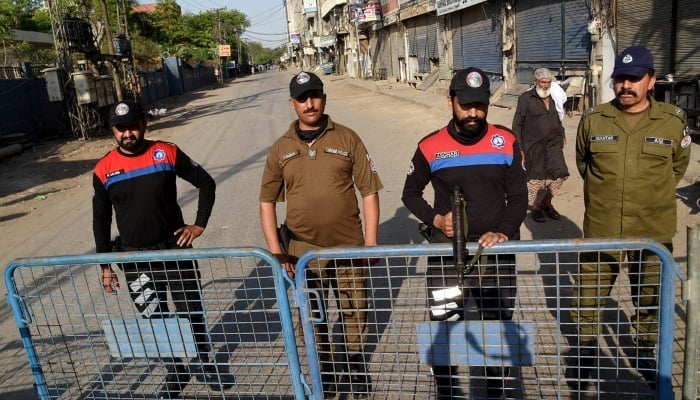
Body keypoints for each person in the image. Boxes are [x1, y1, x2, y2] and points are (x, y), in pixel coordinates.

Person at [567, 46, 691, 390]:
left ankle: (644, 352)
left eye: (634, 79)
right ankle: (585, 355)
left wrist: (647, 193)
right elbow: (584, 165)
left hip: (651, 229)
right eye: (620, 79)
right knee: (587, 297)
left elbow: (677, 167)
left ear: (650, 81)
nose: (625, 86)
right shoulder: (594, 119)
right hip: (602, 228)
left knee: (650, 298)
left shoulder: (672, 120)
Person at [401, 67, 528, 399]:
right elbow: (410, 194)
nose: (473, 113)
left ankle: (495, 388)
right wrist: (436, 219)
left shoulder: (506, 141)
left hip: (495, 258)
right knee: (446, 325)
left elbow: (518, 198)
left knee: (495, 327)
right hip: (446, 256)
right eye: (467, 104)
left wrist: (503, 231)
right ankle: (447, 385)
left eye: (480, 105)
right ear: (451, 101)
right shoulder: (430, 146)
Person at [258, 71, 383, 400]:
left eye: (314, 96)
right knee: (312, 314)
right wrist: (277, 252)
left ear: (324, 99)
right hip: (301, 251)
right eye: (302, 98)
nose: (309, 103)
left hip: (348, 247)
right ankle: (323, 368)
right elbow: (266, 202)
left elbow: (369, 193)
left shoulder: (348, 138)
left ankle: (354, 366)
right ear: (292, 103)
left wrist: (370, 243)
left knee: (355, 309)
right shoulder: (280, 148)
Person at [92, 100, 227, 399]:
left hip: (174, 252)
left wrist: (198, 225)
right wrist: (104, 266)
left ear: (144, 125)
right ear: (114, 131)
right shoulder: (103, 169)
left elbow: (206, 183)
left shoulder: (165, 152)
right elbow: (100, 221)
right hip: (135, 259)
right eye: (121, 128)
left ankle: (204, 362)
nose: (128, 134)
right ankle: (175, 370)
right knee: (154, 317)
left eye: (133, 127)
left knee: (190, 311)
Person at [512, 67, 569, 223]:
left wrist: (562, 134)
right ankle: (536, 206)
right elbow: (517, 124)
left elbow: (557, 119)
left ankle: (547, 202)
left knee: (559, 174)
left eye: (548, 82)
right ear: (535, 82)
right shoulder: (525, 99)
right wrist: (520, 147)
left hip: (553, 144)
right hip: (533, 145)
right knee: (535, 178)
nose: (546, 85)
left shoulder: (554, 97)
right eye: (543, 82)